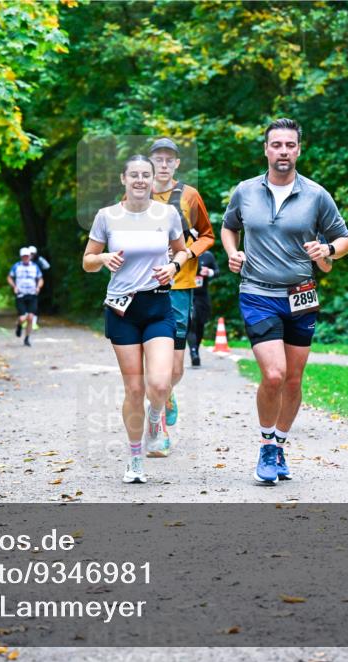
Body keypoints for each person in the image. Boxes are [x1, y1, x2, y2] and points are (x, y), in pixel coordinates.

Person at [221, 118, 348, 485]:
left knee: (293, 380)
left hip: (302, 295)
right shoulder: (245, 191)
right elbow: (229, 226)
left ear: (299, 149)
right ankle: (265, 444)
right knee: (274, 374)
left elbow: (344, 240)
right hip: (258, 293)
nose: (283, 151)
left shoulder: (316, 195)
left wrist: (326, 249)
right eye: (276, 145)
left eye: (289, 145)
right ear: (266, 149)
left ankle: (280, 444)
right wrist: (233, 252)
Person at [83, 155, 189, 483]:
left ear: (154, 178)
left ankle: (156, 419)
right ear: (124, 179)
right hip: (121, 310)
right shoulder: (107, 217)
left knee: (159, 383)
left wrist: (173, 267)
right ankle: (134, 459)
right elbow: (87, 261)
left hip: (157, 305)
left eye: (146, 175)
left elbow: (182, 250)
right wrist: (102, 257)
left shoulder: (167, 214)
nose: (140, 180)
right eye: (134, 175)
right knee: (133, 388)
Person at [146, 138, 214, 453]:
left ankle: (167, 392)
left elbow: (208, 235)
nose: (163, 163)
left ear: (176, 164)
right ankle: (157, 426)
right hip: (145, 286)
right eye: (157, 158)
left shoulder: (189, 196)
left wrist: (188, 253)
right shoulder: (137, 193)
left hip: (180, 286)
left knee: (174, 368)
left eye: (168, 159)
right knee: (153, 363)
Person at [186, 250, 219, 367]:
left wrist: (209, 272)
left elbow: (217, 271)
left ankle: (196, 350)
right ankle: (193, 352)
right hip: (187, 293)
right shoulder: (184, 253)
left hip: (202, 296)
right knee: (192, 321)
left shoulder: (207, 255)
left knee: (200, 324)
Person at [7, 247, 43, 347]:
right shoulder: (16, 267)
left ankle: (27, 338)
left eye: (27, 256)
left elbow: (40, 279)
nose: (26, 258)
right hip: (21, 295)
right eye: (24, 256)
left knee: (31, 318)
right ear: (21, 257)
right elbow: (9, 277)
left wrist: (38, 287)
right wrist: (14, 286)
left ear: (30, 256)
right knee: (23, 318)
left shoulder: (35, 267)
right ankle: (19, 325)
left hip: (32, 294)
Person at [28, 246, 50, 330]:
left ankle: (34, 322)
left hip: (37, 285)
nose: (31, 255)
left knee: (35, 303)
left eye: (32, 253)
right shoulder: (25, 261)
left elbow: (47, 266)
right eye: (30, 253)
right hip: (27, 285)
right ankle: (28, 320)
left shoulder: (39, 260)